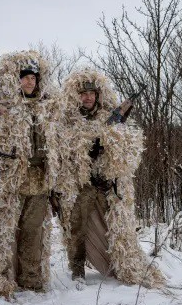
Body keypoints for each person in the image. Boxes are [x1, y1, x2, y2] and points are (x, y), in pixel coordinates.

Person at [56, 68, 165, 288]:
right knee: (77, 226)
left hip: (107, 185)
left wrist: (111, 139)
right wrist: (88, 150)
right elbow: (66, 153)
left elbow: (124, 150)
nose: (88, 97)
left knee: (116, 227)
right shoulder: (69, 122)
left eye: (92, 93)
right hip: (83, 185)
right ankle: (77, 270)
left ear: (98, 95)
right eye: (83, 94)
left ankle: (120, 264)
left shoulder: (109, 117)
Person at [0, 51, 62, 298]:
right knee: (4, 232)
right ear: (17, 80)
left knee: (33, 232)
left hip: (39, 180)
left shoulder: (48, 108)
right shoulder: (3, 107)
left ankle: (31, 280)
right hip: (11, 181)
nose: (30, 81)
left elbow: (57, 143)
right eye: (25, 77)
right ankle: (0, 279)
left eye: (33, 77)